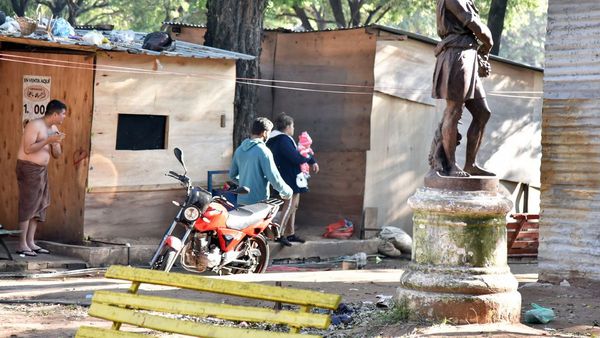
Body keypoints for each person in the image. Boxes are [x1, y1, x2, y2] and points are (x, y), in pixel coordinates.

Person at [429, 0, 495, 177]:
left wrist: (483, 51)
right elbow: (476, 27)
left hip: (467, 54)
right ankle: (450, 165)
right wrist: (488, 43)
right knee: (454, 110)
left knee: (483, 113)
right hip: (456, 56)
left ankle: (470, 164)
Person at [16, 99, 67, 256]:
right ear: (55, 114)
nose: (64, 117)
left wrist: (55, 143)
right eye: (63, 114)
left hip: (42, 170)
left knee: (39, 206)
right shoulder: (34, 125)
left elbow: (57, 155)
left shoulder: (54, 128)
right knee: (28, 204)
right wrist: (48, 140)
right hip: (28, 168)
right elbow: (28, 148)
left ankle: (31, 242)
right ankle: (21, 244)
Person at [267, 113, 319, 246]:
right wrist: (308, 159)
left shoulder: (279, 139)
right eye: (292, 125)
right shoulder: (282, 140)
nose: (293, 128)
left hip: (289, 177)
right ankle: (279, 234)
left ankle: (290, 234)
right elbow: (295, 158)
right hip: (288, 178)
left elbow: (298, 153)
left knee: (293, 206)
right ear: (287, 126)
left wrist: (310, 160)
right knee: (289, 205)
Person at [229, 117, 293, 207]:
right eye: (269, 132)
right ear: (265, 133)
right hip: (259, 203)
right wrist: (288, 192)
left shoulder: (239, 150)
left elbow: (232, 176)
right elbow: (274, 179)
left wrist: (245, 183)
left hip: (241, 201)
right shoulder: (264, 151)